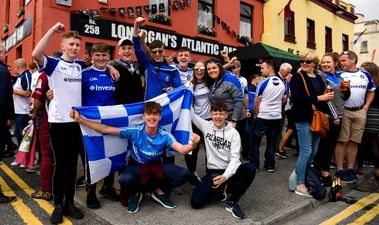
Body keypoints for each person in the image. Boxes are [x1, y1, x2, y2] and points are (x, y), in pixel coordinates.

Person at [70, 101, 200, 213]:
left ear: (160, 116)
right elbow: (106, 129)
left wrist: (192, 145)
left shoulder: (164, 134)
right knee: (124, 179)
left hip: (156, 166)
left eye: (155, 114)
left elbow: (182, 149)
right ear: (143, 116)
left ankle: (158, 191)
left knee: (184, 174)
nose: (152, 117)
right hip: (137, 167)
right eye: (149, 114)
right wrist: (81, 120)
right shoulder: (135, 131)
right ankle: (136, 194)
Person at [32, 22, 87, 224]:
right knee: (60, 165)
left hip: (76, 123)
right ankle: (58, 204)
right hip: (58, 122)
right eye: (70, 44)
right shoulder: (54, 65)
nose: (74, 47)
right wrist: (52, 31)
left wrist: (108, 66)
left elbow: (99, 64)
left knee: (72, 166)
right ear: (63, 46)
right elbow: (36, 53)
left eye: (77, 45)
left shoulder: (81, 66)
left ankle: (70, 202)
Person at [190, 102, 256, 220]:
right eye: (215, 113)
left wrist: (225, 176)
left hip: (229, 171)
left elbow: (235, 159)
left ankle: (232, 201)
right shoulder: (206, 126)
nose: (218, 117)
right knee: (196, 202)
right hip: (214, 172)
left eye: (221, 113)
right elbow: (191, 114)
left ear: (226, 115)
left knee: (250, 168)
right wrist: (182, 94)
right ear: (211, 114)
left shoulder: (233, 133)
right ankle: (220, 190)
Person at [290, 51, 334, 197]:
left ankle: (304, 176)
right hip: (302, 117)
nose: (304, 64)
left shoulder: (319, 78)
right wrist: (319, 97)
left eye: (307, 62)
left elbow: (321, 98)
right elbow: (296, 98)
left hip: (316, 118)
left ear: (314, 63)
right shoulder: (297, 77)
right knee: (306, 151)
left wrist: (327, 98)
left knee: (314, 152)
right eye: (302, 61)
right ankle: (299, 184)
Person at [81, 42, 119, 209]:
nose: (101, 58)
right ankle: (90, 193)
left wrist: (111, 68)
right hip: (89, 125)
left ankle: (107, 188)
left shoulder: (114, 75)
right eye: (98, 55)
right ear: (92, 56)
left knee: (110, 155)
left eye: (104, 55)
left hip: (109, 123)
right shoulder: (83, 74)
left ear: (109, 57)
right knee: (92, 158)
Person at [334, 51, 376, 183]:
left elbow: (371, 91)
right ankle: (340, 169)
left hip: (359, 111)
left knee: (355, 141)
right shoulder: (339, 75)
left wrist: (366, 106)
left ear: (353, 60)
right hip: (344, 111)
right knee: (342, 141)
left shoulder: (365, 74)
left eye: (344, 60)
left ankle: (350, 169)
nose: (341, 63)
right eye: (341, 61)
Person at [313, 53, 349, 187]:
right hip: (329, 117)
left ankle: (324, 172)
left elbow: (343, 97)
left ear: (335, 63)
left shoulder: (339, 77)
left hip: (339, 116)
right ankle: (321, 174)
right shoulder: (321, 77)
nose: (325, 65)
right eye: (323, 62)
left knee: (330, 147)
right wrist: (334, 117)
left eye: (328, 62)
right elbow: (325, 99)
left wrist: (347, 90)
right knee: (323, 147)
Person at [249, 60, 287, 172]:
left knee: (255, 141)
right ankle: (270, 165)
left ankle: (254, 166)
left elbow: (256, 101)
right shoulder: (282, 83)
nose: (261, 71)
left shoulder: (263, 82)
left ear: (270, 69)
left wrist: (256, 113)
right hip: (276, 117)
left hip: (263, 116)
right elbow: (284, 100)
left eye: (262, 68)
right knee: (271, 142)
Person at [132, 17, 181, 100]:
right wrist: (136, 26)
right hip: (150, 108)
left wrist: (173, 90)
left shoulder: (173, 70)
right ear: (150, 53)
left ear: (164, 52)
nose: (157, 54)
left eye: (160, 51)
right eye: (154, 52)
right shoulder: (147, 65)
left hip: (166, 108)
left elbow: (180, 89)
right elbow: (137, 47)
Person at [29, 71, 53, 201]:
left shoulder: (45, 75)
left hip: (48, 121)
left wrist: (34, 114)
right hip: (69, 122)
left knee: (47, 157)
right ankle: (62, 187)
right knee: (64, 157)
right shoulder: (75, 72)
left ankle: (47, 190)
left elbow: (37, 100)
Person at [186, 60, 210, 185]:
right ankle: (192, 173)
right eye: (196, 69)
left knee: (210, 149)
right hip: (195, 120)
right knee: (192, 147)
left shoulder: (211, 83)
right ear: (193, 71)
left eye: (202, 69)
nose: (199, 71)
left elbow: (219, 69)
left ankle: (210, 174)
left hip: (209, 121)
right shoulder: (190, 84)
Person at [206, 58, 245, 129]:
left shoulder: (230, 79)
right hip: (222, 119)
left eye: (214, 68)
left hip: (235, 120)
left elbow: (239, 100)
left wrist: (234, 120)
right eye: (209, 69)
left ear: (220, 68)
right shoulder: (213, 80)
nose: (211, 70)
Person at [356, 62, 379, 180]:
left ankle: (360, 167)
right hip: (376, 114)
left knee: (362, 141)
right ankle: (377, 169)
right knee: (374, 141)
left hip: (365, 112)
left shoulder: (365, 84)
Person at [108, 37, 144, 104]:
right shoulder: (113, 64)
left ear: (133, 50)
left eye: (129, 48)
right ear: (119, 51)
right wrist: (109, 66)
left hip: (137, 107)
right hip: (120, 108)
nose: (126, 51)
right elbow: (97, 64)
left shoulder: (138, 65)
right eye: (123, 48)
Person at [0, 42, 15, 163]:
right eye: (5, 53)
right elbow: (5, 95)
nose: (6, 55)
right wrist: (9, 116)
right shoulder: (3, 70)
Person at [12, 58, 32, 146]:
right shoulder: (20, 77)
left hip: (23, 111)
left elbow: (27, 93)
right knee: (18, 134)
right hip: (17, 111)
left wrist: (12, 90)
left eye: (14, 67)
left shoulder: (26, 75)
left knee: (23, 135)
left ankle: (26, 158)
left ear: (18, 66)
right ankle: (22, 157)